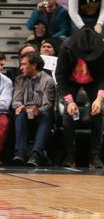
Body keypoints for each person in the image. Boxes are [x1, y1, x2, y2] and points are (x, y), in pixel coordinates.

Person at [55, 27, 104, 168]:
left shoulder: (101, 46)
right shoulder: (66, 47)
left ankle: (95, 156)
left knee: (98, 113)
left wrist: (99, 98)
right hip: (71, 81)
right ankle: (70, 155)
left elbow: (103, 76)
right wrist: (70, 101)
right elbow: (61, 76)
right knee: (68, 113)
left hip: (94, 81)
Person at [12, 51, 56, 167]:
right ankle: (20, 153)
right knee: (20, 112)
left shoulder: (48, 80)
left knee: (47, 114)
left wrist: (38, 110)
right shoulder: (19, 80)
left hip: (40, 112)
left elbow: (48, 104)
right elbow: (16, 100)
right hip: (24, 112)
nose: (21, 68)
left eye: (24, 64)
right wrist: (19, 106)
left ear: (34, 65)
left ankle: (36, 154)